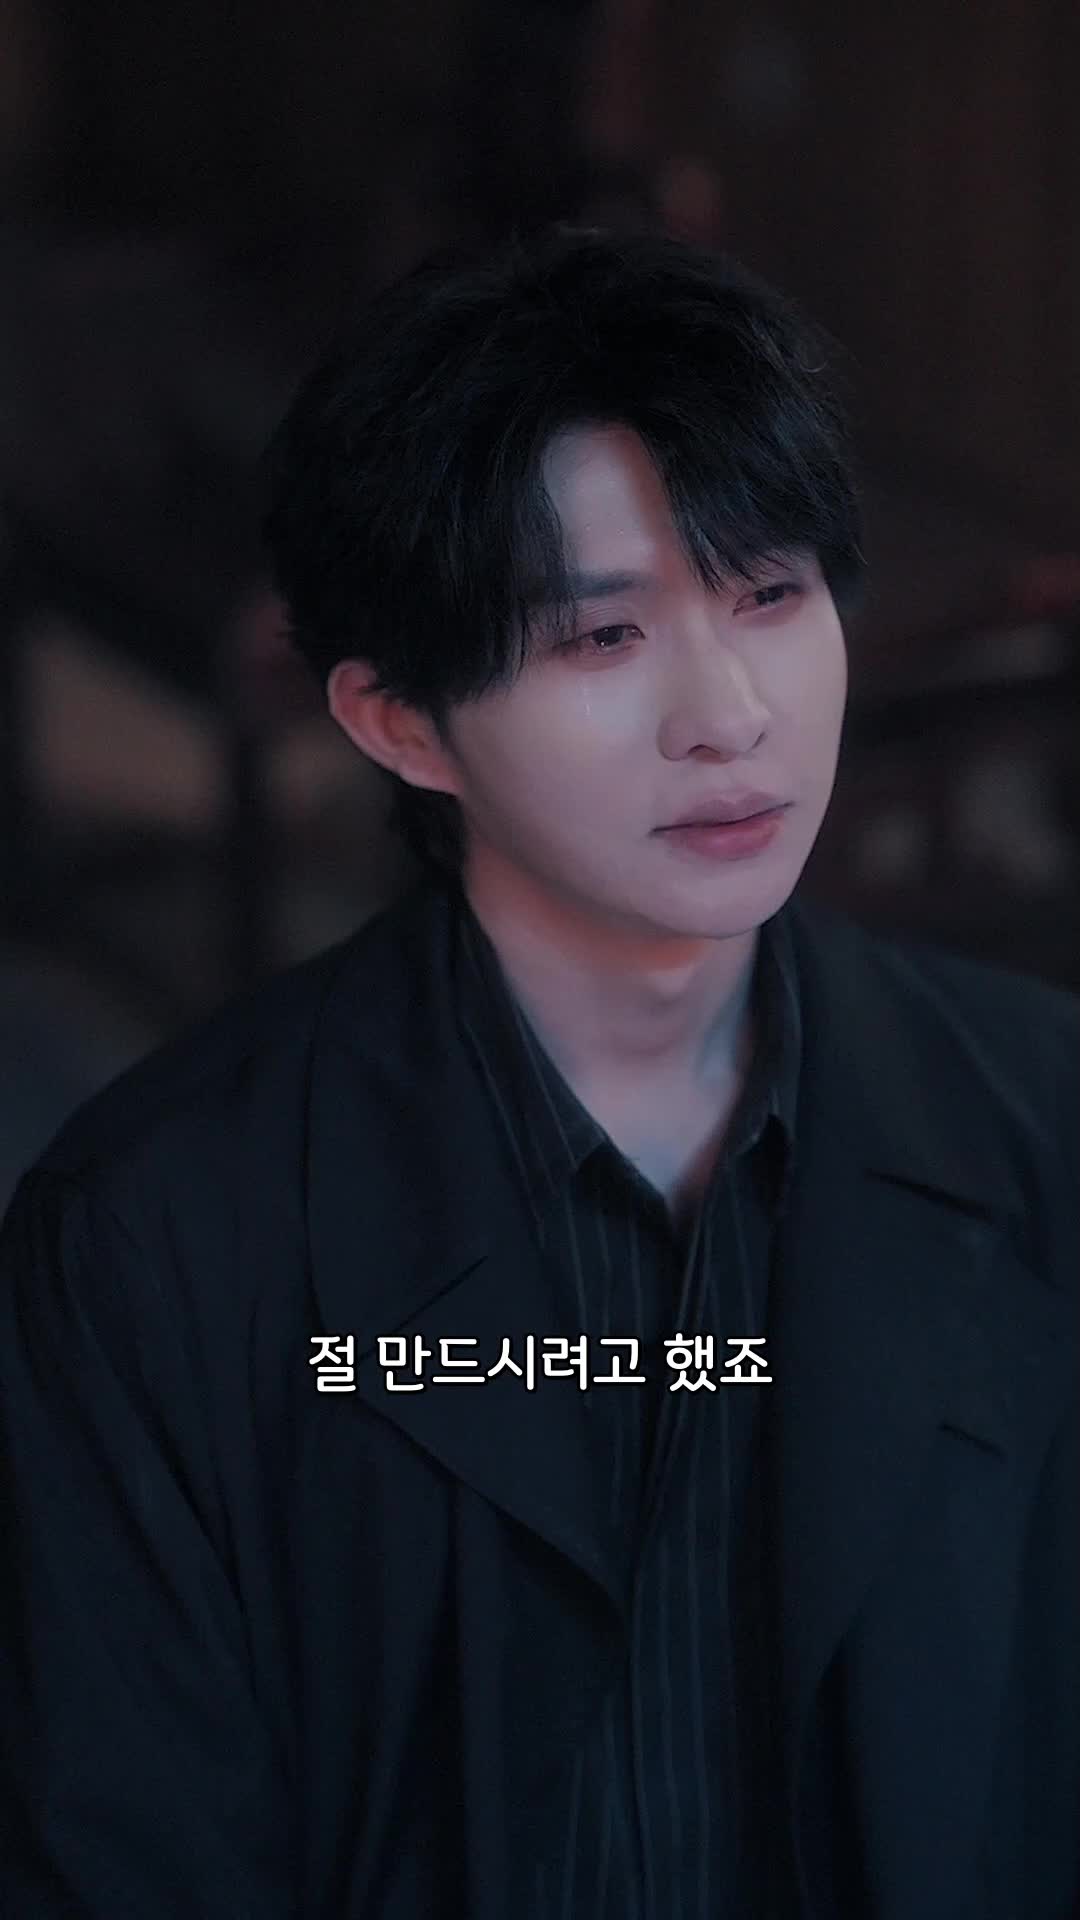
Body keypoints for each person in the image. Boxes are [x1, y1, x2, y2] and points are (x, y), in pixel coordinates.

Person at [1, 225, 1077, 1920]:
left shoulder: (1045, 1123)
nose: (729, 714)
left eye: (770, 595)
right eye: (603, 637)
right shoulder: (157, 1242)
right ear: (397, 720)